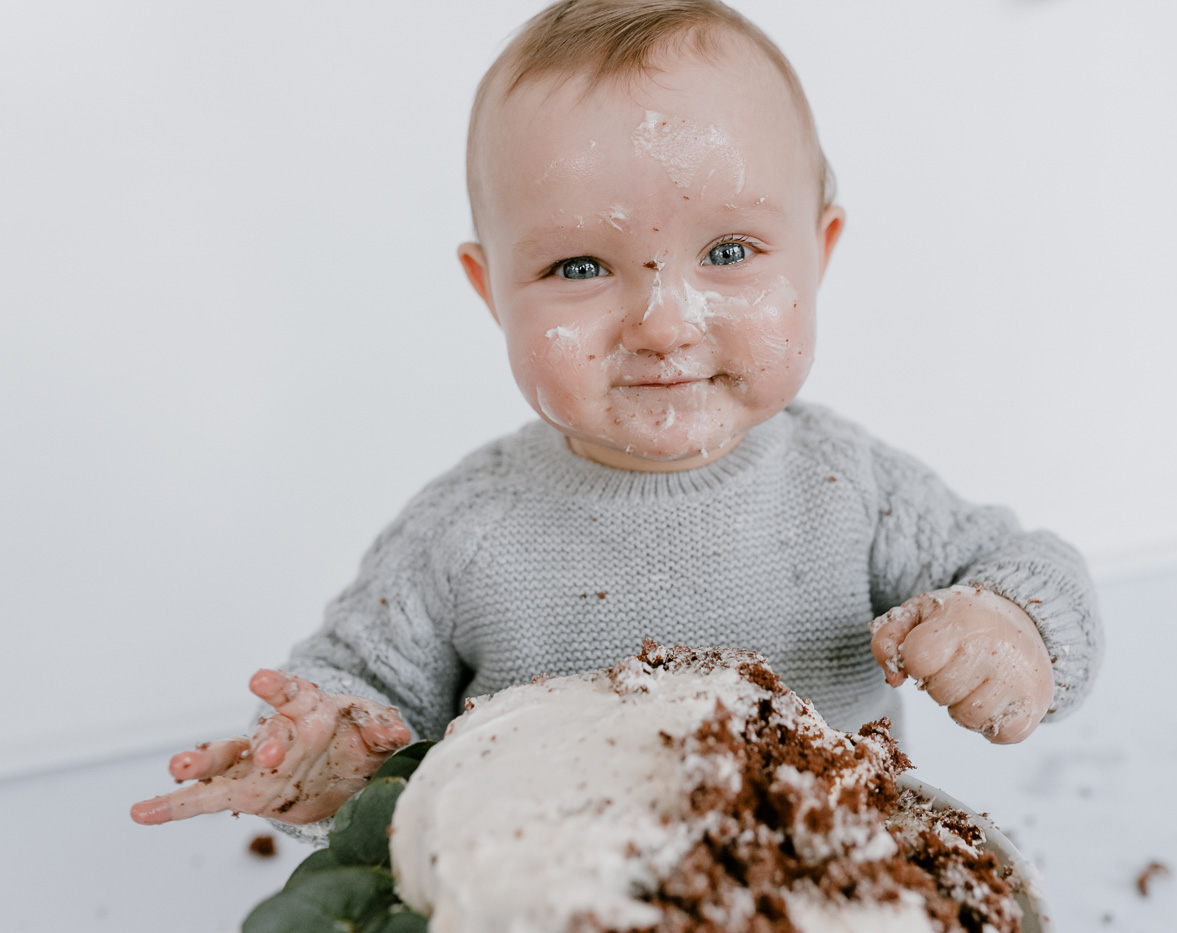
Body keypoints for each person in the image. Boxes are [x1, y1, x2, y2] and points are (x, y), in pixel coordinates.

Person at [131, 0, 1102, 839]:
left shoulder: (848, 488)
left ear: (818, 251)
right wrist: (332, 762)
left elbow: (1031, 569)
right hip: (542, 893)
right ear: (490, 290)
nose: (664, 322)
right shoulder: (466, 530)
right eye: (579, 268)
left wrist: (1009, 629)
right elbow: (360, 688)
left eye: (728, 251)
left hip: (826, 880)